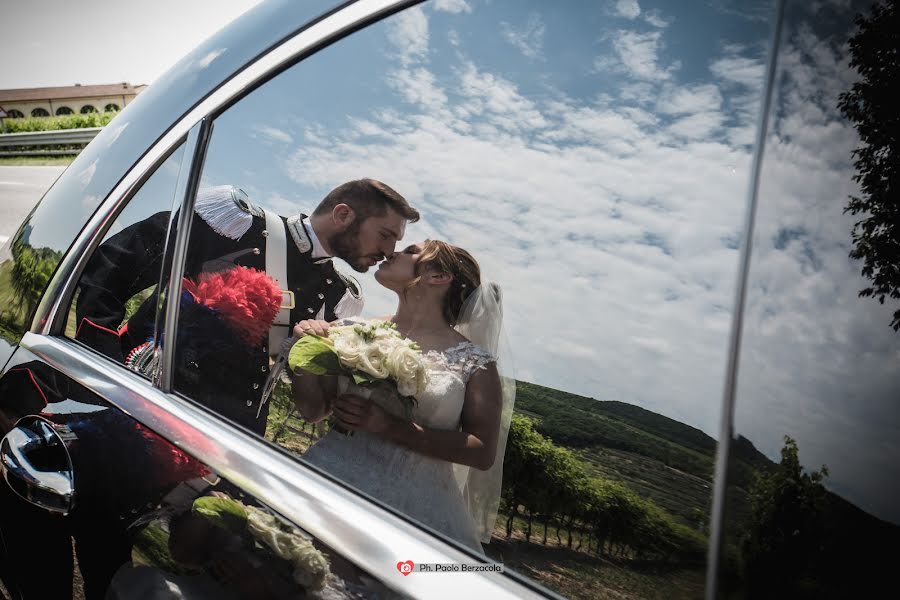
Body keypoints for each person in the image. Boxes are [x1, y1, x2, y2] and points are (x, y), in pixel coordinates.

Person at [74, 178, 419, 435]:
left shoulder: (339, 297)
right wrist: (102, 355)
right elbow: (115, 264)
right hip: (137, 400)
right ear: (343, 214)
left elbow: (311, 402)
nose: (389, 251)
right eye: (386, 234)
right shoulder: (235, 223)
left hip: (230, 437)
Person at [290, 240, 515, 553]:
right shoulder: (350, 330)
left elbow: (481, 452)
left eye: (410, 251)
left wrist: (389, 426)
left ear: (438, 277)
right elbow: (314, 411)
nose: (391, 252)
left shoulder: (475, 363)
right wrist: (303, 354)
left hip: (414, 511)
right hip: (326, 484)